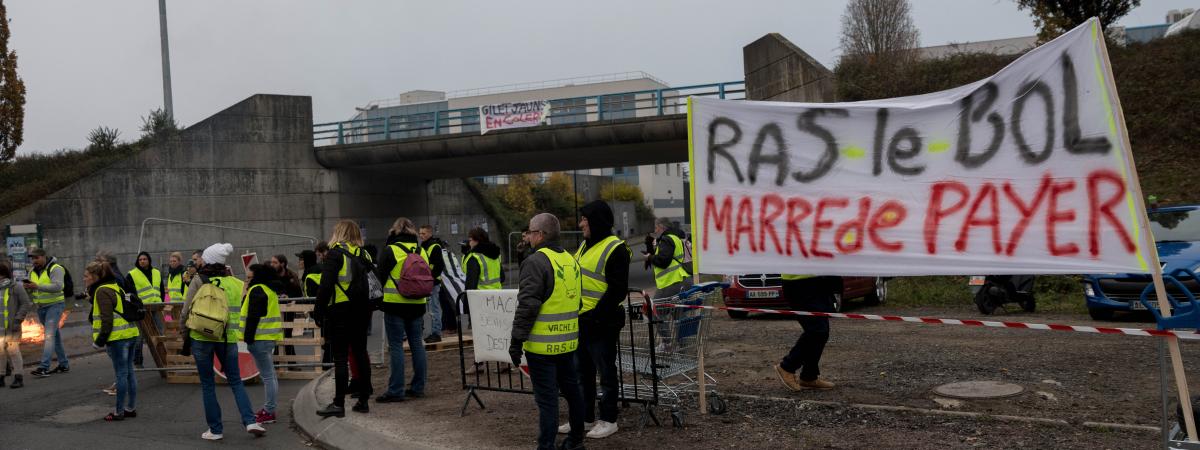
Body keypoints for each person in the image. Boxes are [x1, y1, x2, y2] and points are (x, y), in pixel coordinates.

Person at [510, 213, 586, 450]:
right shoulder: (571, 260)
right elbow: (578, 302)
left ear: (540, 235)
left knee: (547, 400)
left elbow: (528, 306)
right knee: (573, 392)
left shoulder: (535, 262)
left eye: (530, 232)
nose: (528, 236)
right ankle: (575, 442)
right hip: (567, 342)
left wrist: (516, 341)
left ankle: (546, 446)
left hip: (542, 347)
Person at [180, 243, 266, 440]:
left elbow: (185, 311)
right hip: (227, 339)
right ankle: (250, 420)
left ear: (208, 260)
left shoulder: (199, 280)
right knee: (236, 381)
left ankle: (216, 430)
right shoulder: (236, 283)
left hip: (201, 338)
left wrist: (185, 335)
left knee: (208, 384)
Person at [567, 200, 629, 439]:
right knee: (582, 373)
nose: (581, 223)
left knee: (606, 372)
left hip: (603, 322)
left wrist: (595, 316)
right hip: (583, 320)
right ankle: (584, 418)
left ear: (596, 220)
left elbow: (617, 290)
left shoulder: (616, 248)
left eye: (584, 219)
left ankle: (609, 419)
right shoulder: (584, 246)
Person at [314, 220, 373, 417]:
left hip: (340, 310)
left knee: (340, 357)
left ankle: (338, 404)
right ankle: (363, 399)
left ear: (339, 233)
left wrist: (318, 311)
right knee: (360, 353)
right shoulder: (363, 253)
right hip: (362, 310)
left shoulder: (335, 253)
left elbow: (326, 285)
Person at [375, 218, 429, 403]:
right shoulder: (421, 250)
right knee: (417, 344)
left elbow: (379, 277)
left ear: (394, 232)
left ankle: (396, 390)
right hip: (417, 304)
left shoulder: (391, 250)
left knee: (396, 346)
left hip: (395, 304)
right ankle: (418, 387)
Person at [85, 260, 140, 421]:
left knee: (121, 374)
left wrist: (99, 341)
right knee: (129, 373)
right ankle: (130, 408)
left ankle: (118, 412)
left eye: (86, 276)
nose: (84, 279)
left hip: (118, 338)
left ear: (96, 276)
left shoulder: (102, 291)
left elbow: (107, 319)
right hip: (131, 334)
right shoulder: (114, 286)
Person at [774, 275, 838, 392]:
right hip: (799, 280)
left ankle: (809, 376)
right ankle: (787, 367)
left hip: (817, 278)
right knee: (817, 330)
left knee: (823, 331)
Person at [240, 263, 284, 425]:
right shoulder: (269, 289)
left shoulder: (257, 290)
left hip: (258, 339)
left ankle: (269, 411)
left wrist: (248, 338)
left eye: (249, 277)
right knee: (270, 376)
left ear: (257, 276)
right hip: (267, 338)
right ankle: (269, 409)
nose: (247, 280)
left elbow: (253, 316)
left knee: (268, 376)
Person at [462, 227, 503, 374]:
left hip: (480, 301)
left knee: (480, 335)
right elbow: (502, 277)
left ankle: (479, 364)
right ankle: (504, 363)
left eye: (470, 239)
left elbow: (470, 284)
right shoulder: (496, 254)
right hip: (498, 299)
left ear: (476, 240)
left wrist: (467, 306)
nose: (468, 242)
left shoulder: (475, 257)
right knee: (498, 332)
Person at [26, 248, 69, 377]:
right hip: (41, 307)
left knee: (49, 336)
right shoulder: (32, 272)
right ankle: (64, 364)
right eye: (32, 258)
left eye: (36, 258)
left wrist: (37, 286)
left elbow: (58, 286)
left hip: (55, 306)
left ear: (44, 256)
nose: (34, 261)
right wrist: (28, 288)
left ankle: (44, 367)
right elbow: (34, 291)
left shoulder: (56, 268)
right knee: (54, 336)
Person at [127, 251, 164, 368]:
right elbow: (128, 293)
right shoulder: (132, 274)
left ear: (149, 260)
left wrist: (161, 302)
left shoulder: (157, 272)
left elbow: (161, 289)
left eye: (145, 259)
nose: (142, 261)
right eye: (140, 259)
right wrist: (136, 306)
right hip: (141, 310)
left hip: (156, 308)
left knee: (160, 334)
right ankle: (137, 361)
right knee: (140, 337)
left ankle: (163, 361)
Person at [0, 263, 33, 389]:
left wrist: (18, 320)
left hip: (12, 327)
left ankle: (18, 377)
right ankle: (1, 377)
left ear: (2, 274)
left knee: (13, 351)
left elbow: (25, 304)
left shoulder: (16, 287)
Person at [644, 218, 690, 298]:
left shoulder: (666, 239)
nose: (655, 231)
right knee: (675, 309)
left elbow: (663, 261)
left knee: (655, 308)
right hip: (678, 279)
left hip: (669, 283)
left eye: (656, 228)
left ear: (662, 227)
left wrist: (650, 257)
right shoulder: (675, 238)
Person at [418, 224, 447, 344]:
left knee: (434, 309)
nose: (421, 236)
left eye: (423, 233)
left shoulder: (434, 247)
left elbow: (439, 265)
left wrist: (430, 278)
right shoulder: (424, 246)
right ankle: (423, 331)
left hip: (432, 283)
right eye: (420, 233)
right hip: (425, 282)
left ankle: (436, 333)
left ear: (430, 233)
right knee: (424, 308)